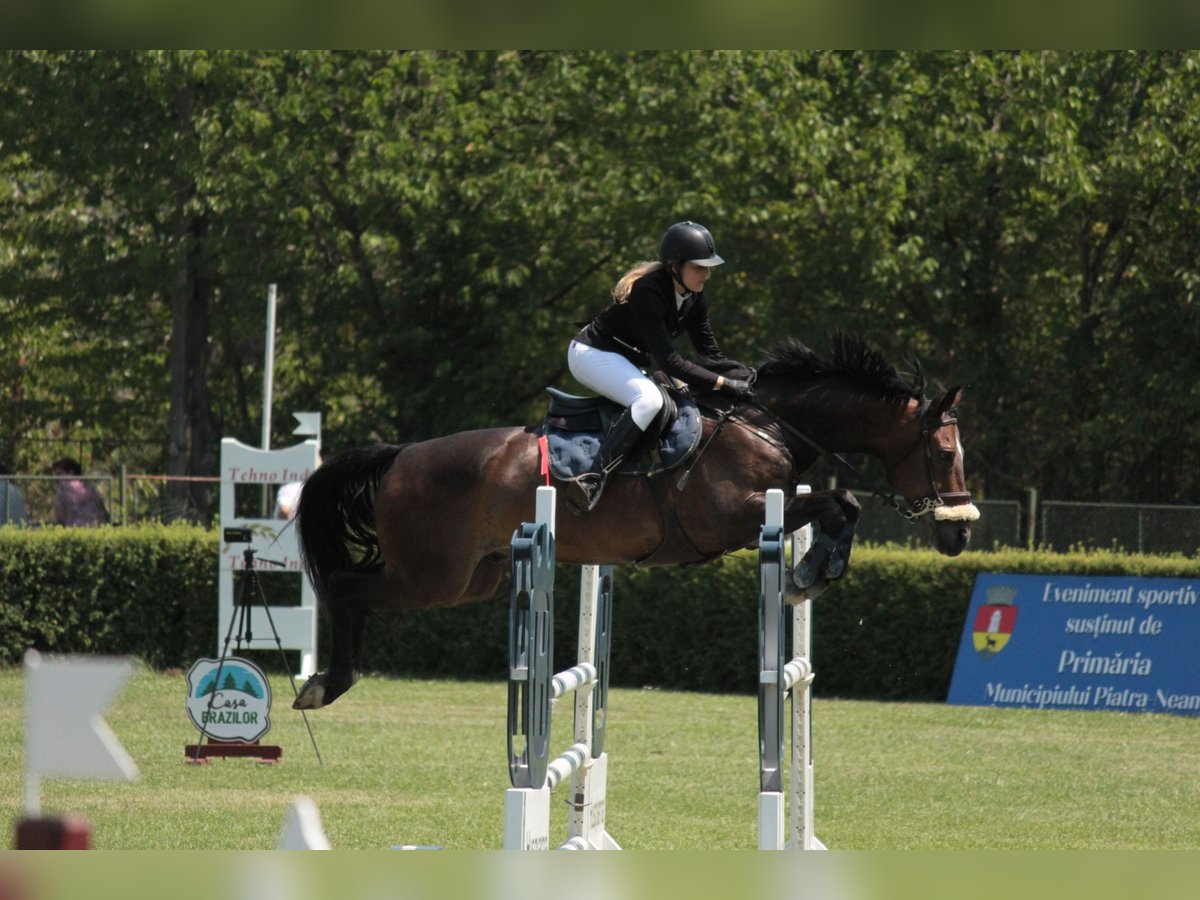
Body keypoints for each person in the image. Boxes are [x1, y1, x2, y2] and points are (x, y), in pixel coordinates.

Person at [566, 220, 754, 511]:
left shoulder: (693, 297)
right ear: (675, 266)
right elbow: (670, 361)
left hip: (624, 358)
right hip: (591, 354)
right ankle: (593, 479)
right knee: (650, 400)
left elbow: (710, 354)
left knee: (674, 400)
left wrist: (747, 375)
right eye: (699, 267)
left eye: (709, 267)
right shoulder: (648, 292)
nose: (707, 274)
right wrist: (724, 384)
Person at [51, 457, 109, 526]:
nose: (57, 478)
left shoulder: (63, 487)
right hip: (100, 527)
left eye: (59, 474)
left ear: (71, 473)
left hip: (76, 528)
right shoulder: (90, 487)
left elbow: (59, 512)